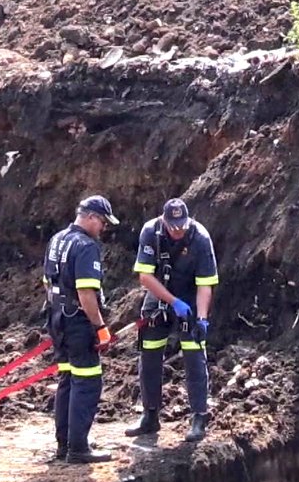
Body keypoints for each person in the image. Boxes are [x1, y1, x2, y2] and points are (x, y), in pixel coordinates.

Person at [124, 198, 218, 442]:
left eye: (182, 226)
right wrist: (171, 302)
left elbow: (205, 284)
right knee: (149, 353)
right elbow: (145, 277)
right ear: (164, 220)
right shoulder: (150, 232)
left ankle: (199, 417)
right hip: (159, 292)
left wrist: (201, 318)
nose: (178, 231)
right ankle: (150, 415)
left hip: (189, 295)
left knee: (194, 353)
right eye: (173, 226)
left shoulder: (200, 238)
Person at [43, 195, 121, 464]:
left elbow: (47, 283)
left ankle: (64, 444)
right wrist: (100, 327)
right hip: (77, 321)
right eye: (102, 223)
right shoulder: (86, 247)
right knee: (87, 381)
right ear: (90, 217)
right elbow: (86, 292)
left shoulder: (57, 240)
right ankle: (78, 448)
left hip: (56, 318)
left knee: (67, 380)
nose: (103, 229)